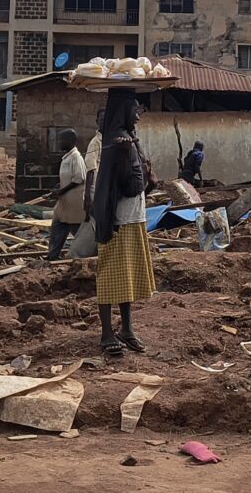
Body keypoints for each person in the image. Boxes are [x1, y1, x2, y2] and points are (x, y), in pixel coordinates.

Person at [92, 89, 155, 356]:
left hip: (134, 217)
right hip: (119, 220)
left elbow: (141, 180)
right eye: (134, 111)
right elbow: (125, 185)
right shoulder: (116, 142)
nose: (138, 116)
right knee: (110, 277)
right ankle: (107, 333)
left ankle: (127, 329)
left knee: (126, 278)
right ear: (123, 112)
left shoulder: (128, 139)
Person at [47, 128, 86, 261]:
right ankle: (52, 256)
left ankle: (87, 255)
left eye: (61, 140)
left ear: (71, 141)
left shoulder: (76, 157)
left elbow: (79, 178)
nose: (59, 142)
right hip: (65, 203)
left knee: (78, 232)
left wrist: (61, 191)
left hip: (74, 203)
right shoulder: (67, 157)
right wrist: (58, 188)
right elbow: (68, 179)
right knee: (58, 226)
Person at [83, 108, 105, 216]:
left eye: (106, 119)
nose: (104, 122)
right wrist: (87, 195)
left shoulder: (109, 140)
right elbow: (90, 170)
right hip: (96, 188)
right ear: (97, 122)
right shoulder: (95, 143)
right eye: (101, 120)